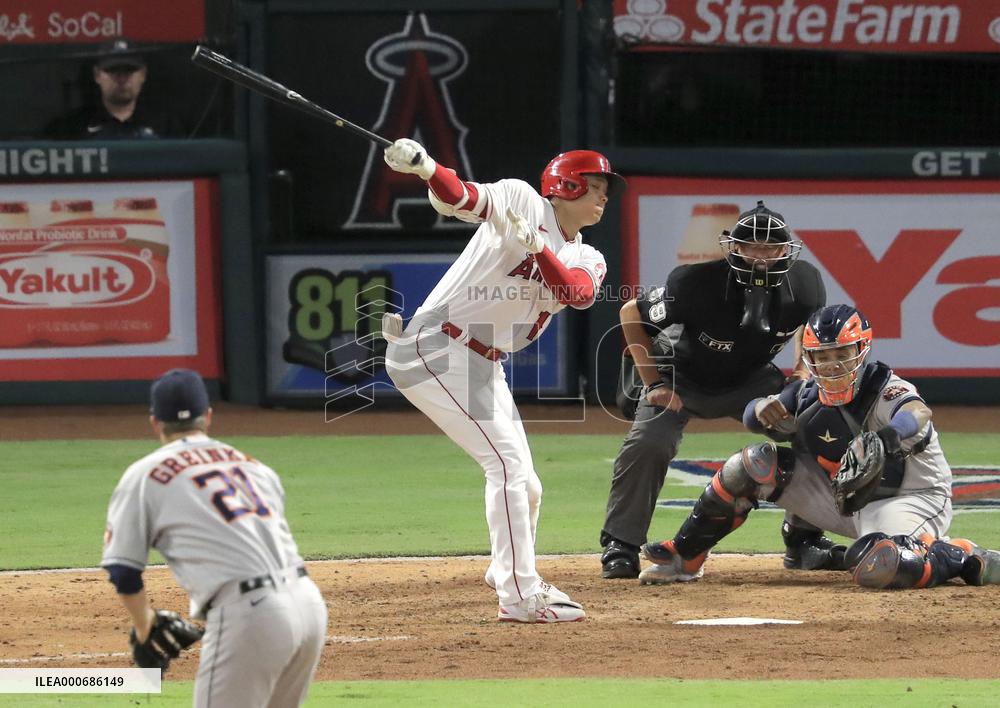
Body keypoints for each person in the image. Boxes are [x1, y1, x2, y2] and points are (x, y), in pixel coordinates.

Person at [380, 137, 623, 623]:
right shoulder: (520, 199)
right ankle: (520, 596)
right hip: (436, 346)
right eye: (595, 186)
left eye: (604, 190)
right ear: (566, 184)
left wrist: (540, 251)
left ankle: (505, 569)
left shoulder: (587, 256)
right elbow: (460, 197)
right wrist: (426, 166)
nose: (603, 197)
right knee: (507, 468)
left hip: (482, 363)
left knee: (527, 485)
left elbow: (575, 294)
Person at [639, 304, 1000, 589]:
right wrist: (761, 409)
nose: (832, 365)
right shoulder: (806, 394)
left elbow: (918, 413)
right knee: (753, 464)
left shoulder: (885, 387)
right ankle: (684, 557)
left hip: (911, 497)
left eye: (841, 353)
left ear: (862, 350)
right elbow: (753, 415)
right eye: (823, 356)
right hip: (845, 500)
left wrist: (887, 438)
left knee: (884, 565)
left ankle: (960, 556)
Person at [600, 200, 829, 580]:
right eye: (752, 246)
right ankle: (620, 546)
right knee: (650, 440)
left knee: (813, 423)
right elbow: (630, 313)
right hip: (682, 377)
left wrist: (801, 371)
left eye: (771, 247)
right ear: (734, 248)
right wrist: (654, 383)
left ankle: (803, 540)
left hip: (752, 382)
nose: (762, 256)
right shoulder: (694, 283)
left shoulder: (805, 284)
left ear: (786, 250)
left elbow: (810, 326)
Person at [101, 369, 327, 706]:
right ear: (208, 416)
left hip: (250, 614)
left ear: (155, 422)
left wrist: (144, 623)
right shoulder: (254, 466)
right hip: (310, 605)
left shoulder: (145, 474)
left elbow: (123, 570)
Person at [44, 38, 185, 140]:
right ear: (97, 75)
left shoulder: (166, 125)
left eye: (129, 70)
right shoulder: (73, 127)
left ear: (143, 74)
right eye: (113, 71)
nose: (122, 79)